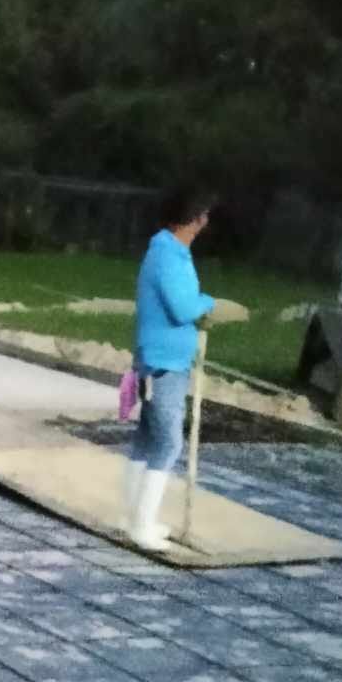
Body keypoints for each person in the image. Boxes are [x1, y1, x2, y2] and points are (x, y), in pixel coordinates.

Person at [126, 188, 216, 548]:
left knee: (147, 440)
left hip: (162, 358)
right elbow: (182, 307)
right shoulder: (168, 255)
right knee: (167, 443)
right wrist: (208, 302)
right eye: (204, 214)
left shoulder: (171, 252)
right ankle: (141, 525)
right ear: (195, 218)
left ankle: (132, 515)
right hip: (163, 362)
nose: (206, 221)